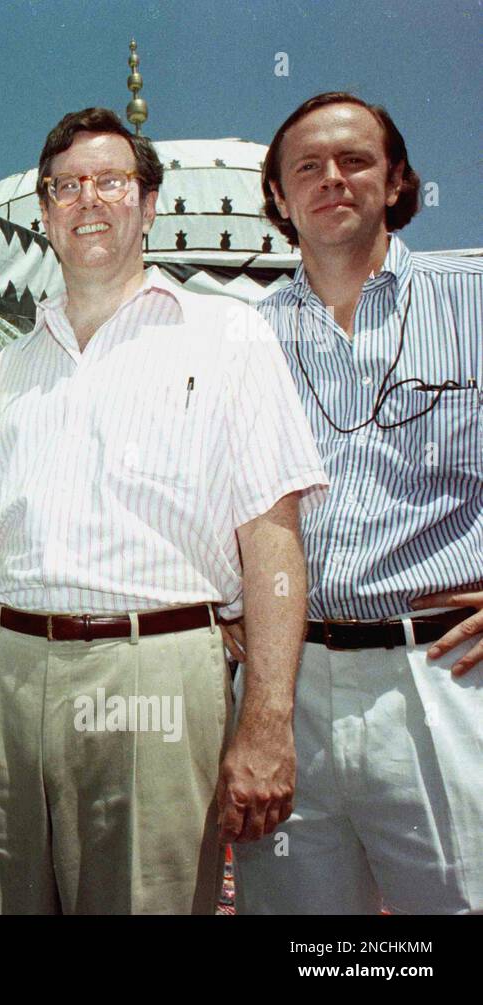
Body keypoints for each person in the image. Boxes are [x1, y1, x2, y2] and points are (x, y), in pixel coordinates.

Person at [0, 107, 329, 914]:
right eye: (67, 186)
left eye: (111, 182)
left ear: (148, 205)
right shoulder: (9, 368)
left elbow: (273, 541)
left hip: (155, 670)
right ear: (44, 211)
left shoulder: (228, 336)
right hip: (12, 669)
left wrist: (267, 719)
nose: (89, 200)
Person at [235, 92, 483, 914]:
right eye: (306, 166)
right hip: (286, 686)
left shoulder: (471, 296)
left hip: (440, 675)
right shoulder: (244, 338)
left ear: (398, 178)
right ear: (277, 196)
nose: (330, 178)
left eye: (355, 160)